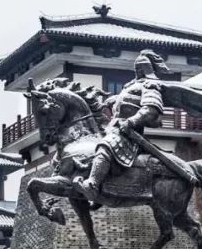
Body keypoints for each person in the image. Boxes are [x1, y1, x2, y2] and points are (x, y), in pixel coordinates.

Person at [73, 50, 193, 204]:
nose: (137, 71)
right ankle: (102, 190)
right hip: (114, 128)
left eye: (140, 68)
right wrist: (115, 101)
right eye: (136, 68)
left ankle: (93, 185)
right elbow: (130, 102)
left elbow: (150, 110)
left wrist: (131, 121)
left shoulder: (150, 86)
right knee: (92, 148)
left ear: (146, 69)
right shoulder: (130, 86)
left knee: (106, 146)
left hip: (130, 134)